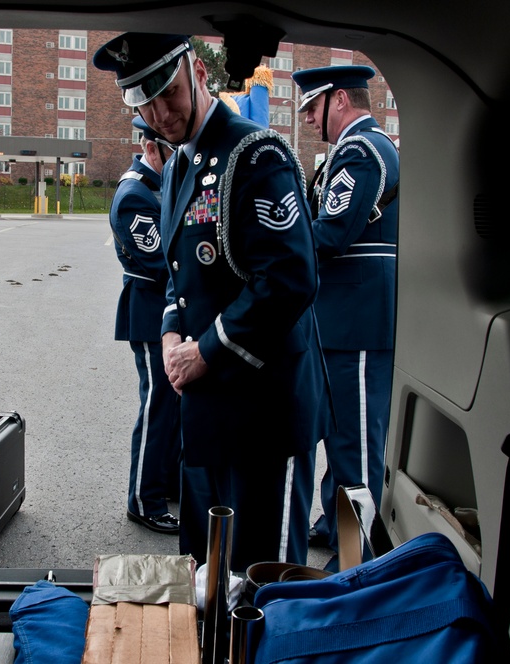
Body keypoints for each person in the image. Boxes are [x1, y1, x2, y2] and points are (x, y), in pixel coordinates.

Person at [94, 34, 333, 571]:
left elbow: (291, 278)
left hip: (262, 404)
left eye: (168, 92)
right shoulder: (179, 165)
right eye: (143, 103)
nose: (159, 113)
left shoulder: (256, 154)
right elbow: (180, 275)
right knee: (206, 570)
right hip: (206, 402)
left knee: (259, 578)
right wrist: (173, 334)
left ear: (198, 72)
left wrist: (205, 350)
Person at [291, 65, 399, 558]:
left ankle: (356, 558)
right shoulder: (360, 149)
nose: (311, 120)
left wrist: (276, 249)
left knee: (355, 445)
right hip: (346, 317)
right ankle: (338, 530)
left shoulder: (361, 150)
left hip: (357, 319)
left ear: (339, 101)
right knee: (340, 437)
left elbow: (330, 231)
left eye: (313, 108)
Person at [110, 115, 181, 535]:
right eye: (170, 152)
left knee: (171, 407)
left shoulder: (154, 185)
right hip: (151, 310)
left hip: (165, 309)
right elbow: (161, 262)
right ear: (151, 148)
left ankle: (164, 485)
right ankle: (143, 499)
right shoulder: (135, 194)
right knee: (157, 408)